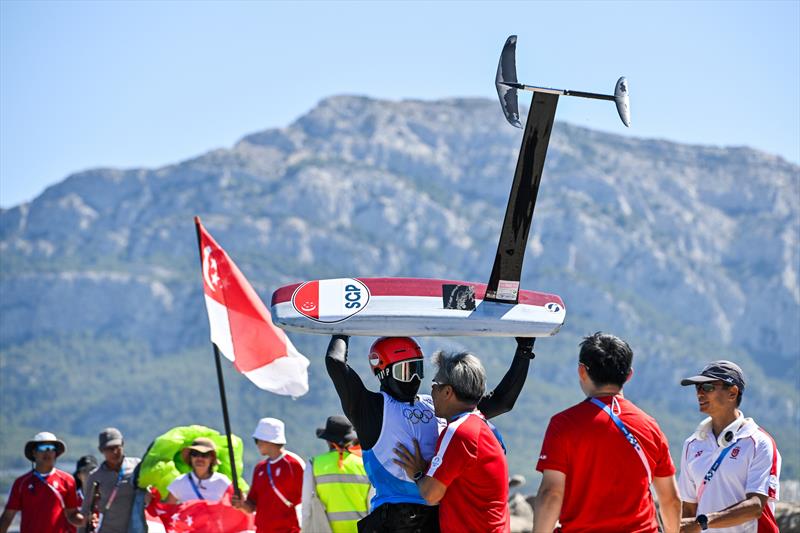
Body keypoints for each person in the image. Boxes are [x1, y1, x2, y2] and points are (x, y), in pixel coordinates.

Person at [325, 334, 535, 532]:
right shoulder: (371, 408)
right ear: (383, 372)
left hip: (437, 513)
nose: (415, 378)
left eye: (418, 368)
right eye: (406, 371)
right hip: (395, 519)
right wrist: (343, 328)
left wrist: (524, 351)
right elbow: (335, 362)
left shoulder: (435, 403)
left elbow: (501, 402)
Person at [533, 332, 681, 533]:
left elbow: (552, 493)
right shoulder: (650, 426)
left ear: (582, 371)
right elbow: (670, 499)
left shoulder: (564, 424)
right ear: (629, 375)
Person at [393, 350, 510, 532]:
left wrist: (417, 473)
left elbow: (431, 495)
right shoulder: (485, 426)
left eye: (435, 384)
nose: (431, 390)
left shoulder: (458, 431)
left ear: (447, 391)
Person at [677, 361, 781, 533]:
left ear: (732, 393)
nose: (699, 394)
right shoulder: (691, 445)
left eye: (708, 387)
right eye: (697, 388)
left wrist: (702, 522)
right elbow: (688, 510)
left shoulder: (759, 442)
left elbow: (755, 506)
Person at [0, 432, 85, 533]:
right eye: (43, 448)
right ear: (34, 453)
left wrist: (84, 520)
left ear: (56, 453)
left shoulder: (67, 480)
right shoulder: (21, 483)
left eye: (51, 448)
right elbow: (8, 516)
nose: (47, 452)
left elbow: (72, 514)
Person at [232, 417, 305, 533]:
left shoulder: (294, 464)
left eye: (257, 440)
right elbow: (252, 506)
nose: (257, 444)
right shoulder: (260, 468)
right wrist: (241, 504)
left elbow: (306, 500)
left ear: (266, 440)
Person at [302, 415, 371, 533]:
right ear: (350, 439)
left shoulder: (314, 464)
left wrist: (305, 528)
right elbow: (371, 504)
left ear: (328, 440)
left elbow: (307, 506)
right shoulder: (365, 464)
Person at [77, 427, 141, 533]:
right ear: (101, 450)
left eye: (117, 447)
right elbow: (86, 511)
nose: (115, 452)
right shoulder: (95, 476)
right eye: (110, 448)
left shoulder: (137, 466)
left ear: (123, 444)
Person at [165, 437, 232, 503]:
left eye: (204, 455)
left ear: (211, 459)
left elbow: (239, 507)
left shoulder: (222, 481)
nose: (199, 458)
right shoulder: (179, 482)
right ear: (190, 458)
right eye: (195, 454)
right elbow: (167, 509)